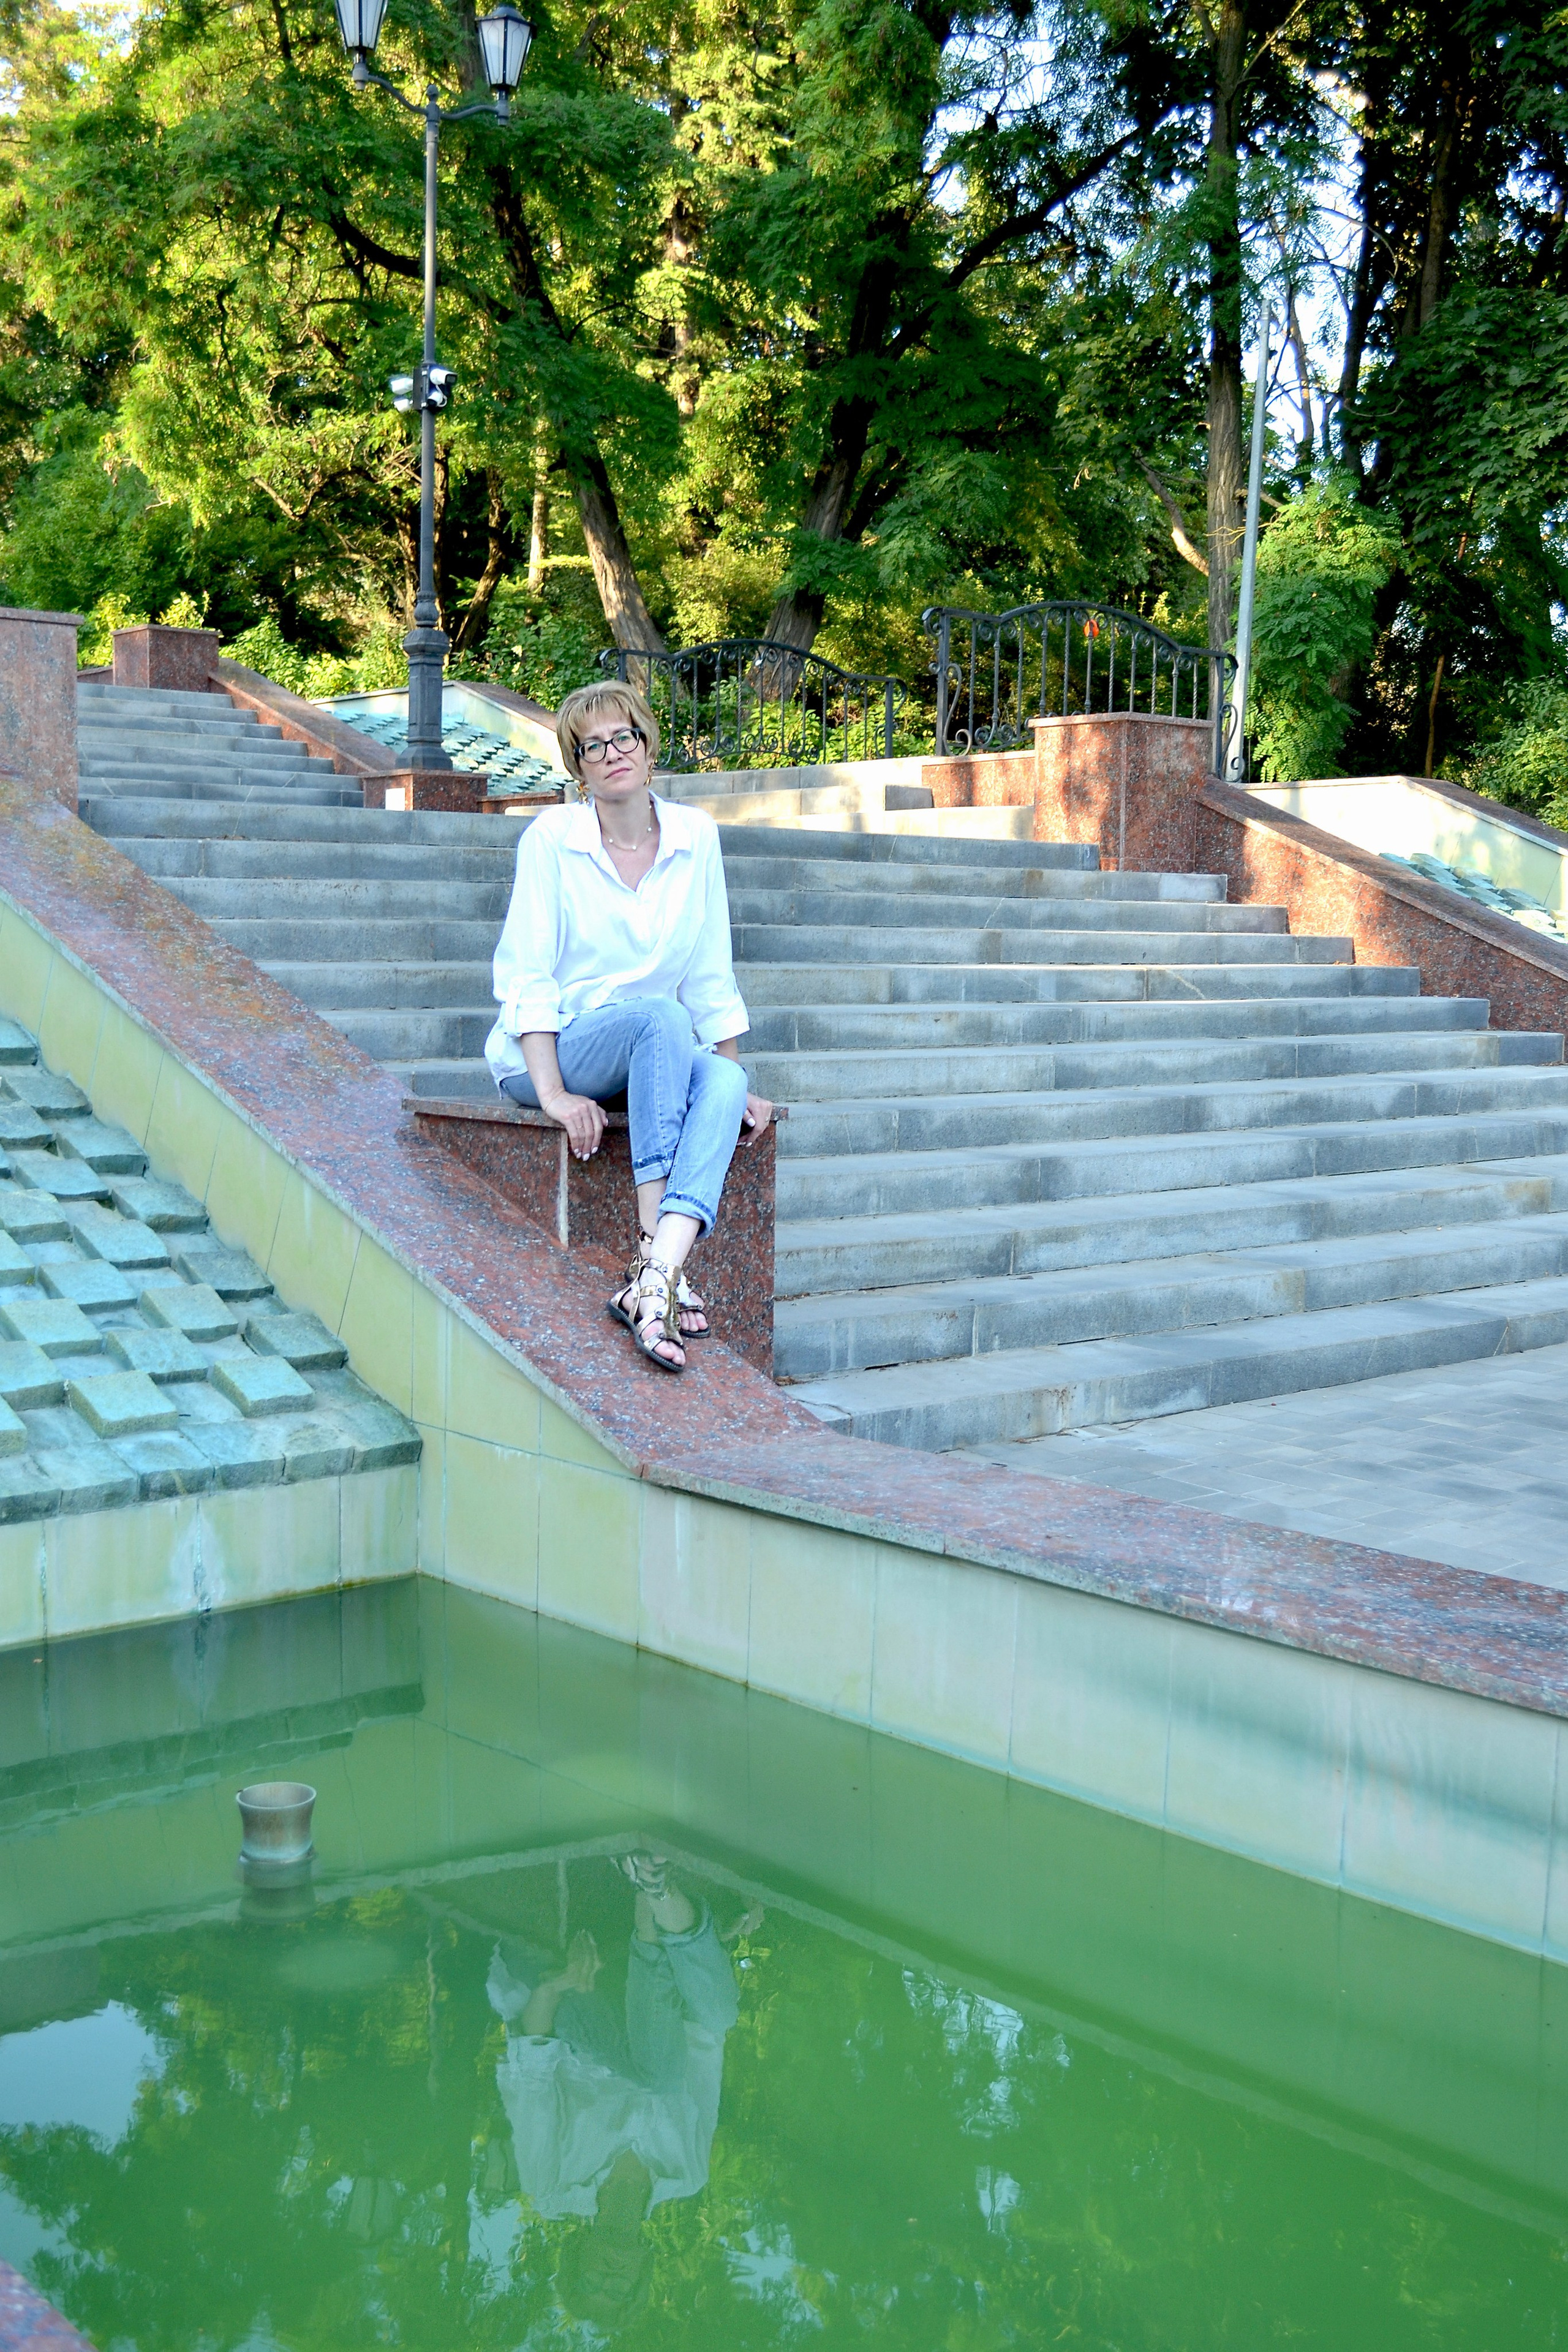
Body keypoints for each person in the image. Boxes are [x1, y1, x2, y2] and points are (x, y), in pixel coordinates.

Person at [484, 679, 772, 1373]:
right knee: (660, 1017)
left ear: (647, 747)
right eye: (593, 746)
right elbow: (528, 975)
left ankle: (657, 1274)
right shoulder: (552, 838)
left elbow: (709, 967)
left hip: (657, 1048)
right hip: (554, 1051)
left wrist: (729, 1079)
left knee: (726, 1076)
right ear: (577, 767)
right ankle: (652, 1253)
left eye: (625, 737)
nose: (612, 752)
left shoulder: (694, 836)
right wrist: (553, 1095)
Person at [489, 1853, 762, 2332]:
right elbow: (703, 2052)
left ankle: (653, 1910)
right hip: (658, 2019)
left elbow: (530, 2067)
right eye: (620, 2288)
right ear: (641, 2270)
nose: (610, 2277)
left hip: (580, 2020)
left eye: (593, 2283)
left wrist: (559, 1983)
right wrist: (705, 1966)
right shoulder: (688, 2174)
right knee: (719, 2015)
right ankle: (655, 1893)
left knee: (655, 2077)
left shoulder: (552, 2188)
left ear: (577, 2262)